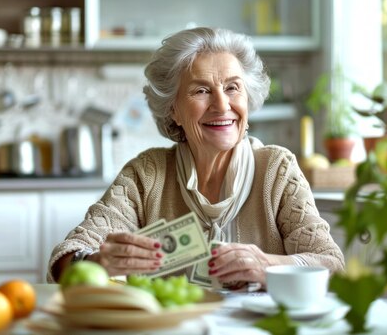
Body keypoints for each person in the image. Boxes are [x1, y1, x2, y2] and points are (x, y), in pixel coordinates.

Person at [48, 27, 345, 288]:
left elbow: (332, 265)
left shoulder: (277, 169)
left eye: (232, 87)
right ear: (173, 110)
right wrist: (98, 262)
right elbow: (67, 255)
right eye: (201, 90)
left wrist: (269, 266)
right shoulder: (147, 174)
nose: (221, 104)